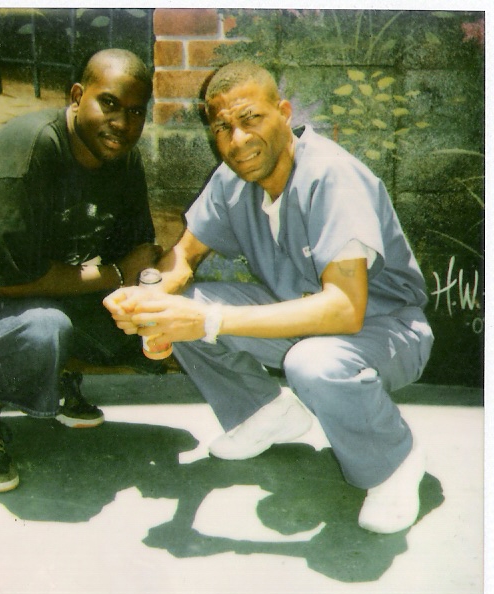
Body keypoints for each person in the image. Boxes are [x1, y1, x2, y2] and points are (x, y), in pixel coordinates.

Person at [104, 61, 434, 535]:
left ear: (284, 112)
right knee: (186, 301)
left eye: (251, 119)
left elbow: (344, 309)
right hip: (303, 320)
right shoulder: (233, 177)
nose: (238, 140)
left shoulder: (331, 176)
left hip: (385, 329)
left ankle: (393, 460)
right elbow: (186, 255)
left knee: (311, 362)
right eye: (223, 127)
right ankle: (264, 412)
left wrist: (207, 322)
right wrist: (147, 300)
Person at [0, 49, 162, 493]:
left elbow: (135, 254)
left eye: (136, 111)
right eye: (109, 104)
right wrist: (119, 274)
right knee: (43, 330)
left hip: (43, 287)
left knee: (149, 311)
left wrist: (145, 286)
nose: (123, 123)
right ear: (77, 96)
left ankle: (54, 379)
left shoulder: (121, 157)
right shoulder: (30, 145)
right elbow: (11, 281)